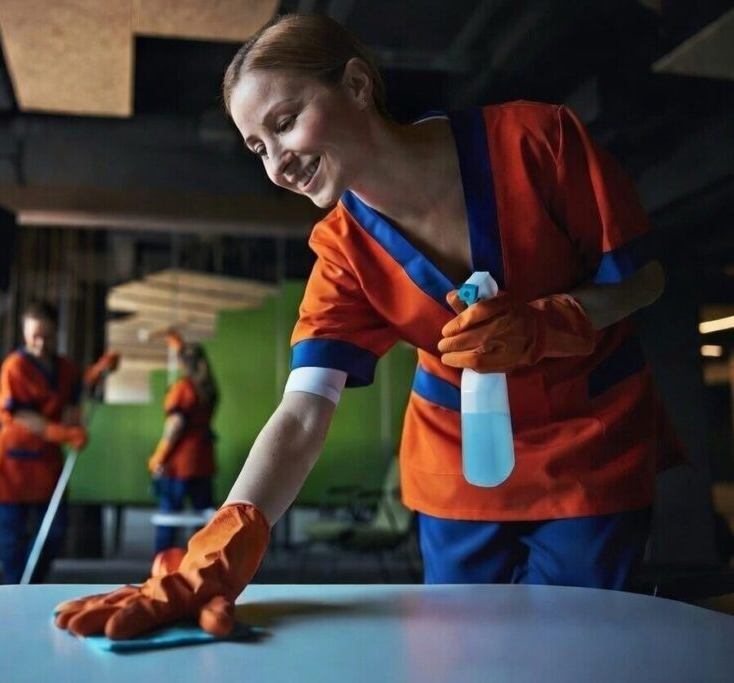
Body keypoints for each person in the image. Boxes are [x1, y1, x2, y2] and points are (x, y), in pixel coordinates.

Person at [54, 13, 676, 640]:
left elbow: (643, 280)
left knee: (583, 645)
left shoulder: (537, 140)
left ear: (355, 85)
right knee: (463, 652)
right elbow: (301, 414)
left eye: (284, 123)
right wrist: (217, 550)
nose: (277, 166)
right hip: (456, 466)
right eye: (257, 147)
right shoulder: (342, 253)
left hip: (590, 445)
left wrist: (552, 322)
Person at [0, 301, 118, 584]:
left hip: (47, 462)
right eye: (34, 335)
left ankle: (33, 584)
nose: (40, 342)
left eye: (46, 336)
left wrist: (98, 372)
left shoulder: (64, 368)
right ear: (25, 333)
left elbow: (75, 394)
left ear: (55, 332)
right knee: (12, 536)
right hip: (14, 463)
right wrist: (63, 434)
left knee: (55, 530)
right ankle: (15, 589)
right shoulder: (15, 367)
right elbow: (21, 414)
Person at [148, 339, 220, 554]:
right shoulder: (208, 387)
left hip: (179, 464)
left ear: (181, 363)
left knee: (169, 518)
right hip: (203, 459)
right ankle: (202, 563)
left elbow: (175, 426)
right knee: (204, 519)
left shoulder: (182, 388)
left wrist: (158, 457)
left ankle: (161, 568)